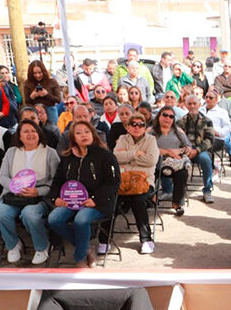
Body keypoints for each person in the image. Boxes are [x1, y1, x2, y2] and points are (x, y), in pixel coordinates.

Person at [47, 120, 120, 267]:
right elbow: (57, 181)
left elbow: (113, 182)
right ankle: (86, 248)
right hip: (71, 202)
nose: (83, 135)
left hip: (98, 203)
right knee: (54, 219)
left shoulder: (106, 155)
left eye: (87, 132)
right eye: (78, 133)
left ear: (93, 134)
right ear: (73, 138)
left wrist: (95, 199)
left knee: (81, 220)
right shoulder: (67, 158)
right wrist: (56, 198)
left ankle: (79, 259)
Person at [0, 119, 59, 264]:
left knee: (29, 214)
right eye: (25, 131)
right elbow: (2, 176)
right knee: (0, 213)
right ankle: (13, 245)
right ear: (19, 136)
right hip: (14, 195)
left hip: (39, 197)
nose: (30, 134)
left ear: (39, 133)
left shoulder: (50, 153)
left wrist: (38, 191)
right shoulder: (11, 152)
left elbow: (55, 181)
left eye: (33, 131)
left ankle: (42, 246)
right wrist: (14, 187)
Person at [107, 112, 159, 254]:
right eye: (133, 124)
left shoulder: (151, 140)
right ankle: (104, 240)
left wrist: (127, 156)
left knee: (138, 200)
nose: (137, 127)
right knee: (110, 200)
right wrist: (136, 154)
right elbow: (115, 157)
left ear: (145, 127)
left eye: (141, 125)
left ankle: (146, 239)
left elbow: (151, 160)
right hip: (124, 183)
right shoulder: (122, 139)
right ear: (127, 127)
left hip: (144, 183)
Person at [149, 106, 190, 216]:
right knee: (149, 171)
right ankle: (151, 198)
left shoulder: (178, 131)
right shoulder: (151, 132)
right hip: (156, 163)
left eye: (171, 116)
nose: (168, 118)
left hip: (175, 163)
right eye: (165, 115)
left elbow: (188, 147)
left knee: (183, 174)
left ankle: (177, 203)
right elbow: (146, 149)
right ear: (159, 116)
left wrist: (180, 151)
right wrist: (167, 152)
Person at [176, 95, 216, 203]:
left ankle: (207, 190)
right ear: (186, 105)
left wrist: (197, 150)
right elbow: (177, 139)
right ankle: (177, 192)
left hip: (200, 150)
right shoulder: (180, 121)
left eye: (194, 103)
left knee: (206, 159)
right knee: (174, 160)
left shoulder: (207, 121)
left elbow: (210, 140)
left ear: (199, 104)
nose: (192, 106)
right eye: (189, 104)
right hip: (185, 151)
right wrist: (186, 150)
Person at [203, 89, 231, 166]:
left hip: (217, 138)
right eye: (206, 97)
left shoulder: (222, 111)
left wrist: (219, 133)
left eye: (211, 98)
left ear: (216, 100)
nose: (208, 99)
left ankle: (211, 166)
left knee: (208, 145)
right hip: (202, 138)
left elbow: (228, 126)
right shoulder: (201, 110)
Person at [23, 60, 62, 126]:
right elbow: (27, 102)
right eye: (35, 73)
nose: (38, 75)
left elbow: (58, 100)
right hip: (35, 111)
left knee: (52, 129)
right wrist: (32, 96)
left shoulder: (52, 82)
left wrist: (47, 94)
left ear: (43, 71)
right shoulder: (28, 84)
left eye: (40, 72)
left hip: (50, 110)